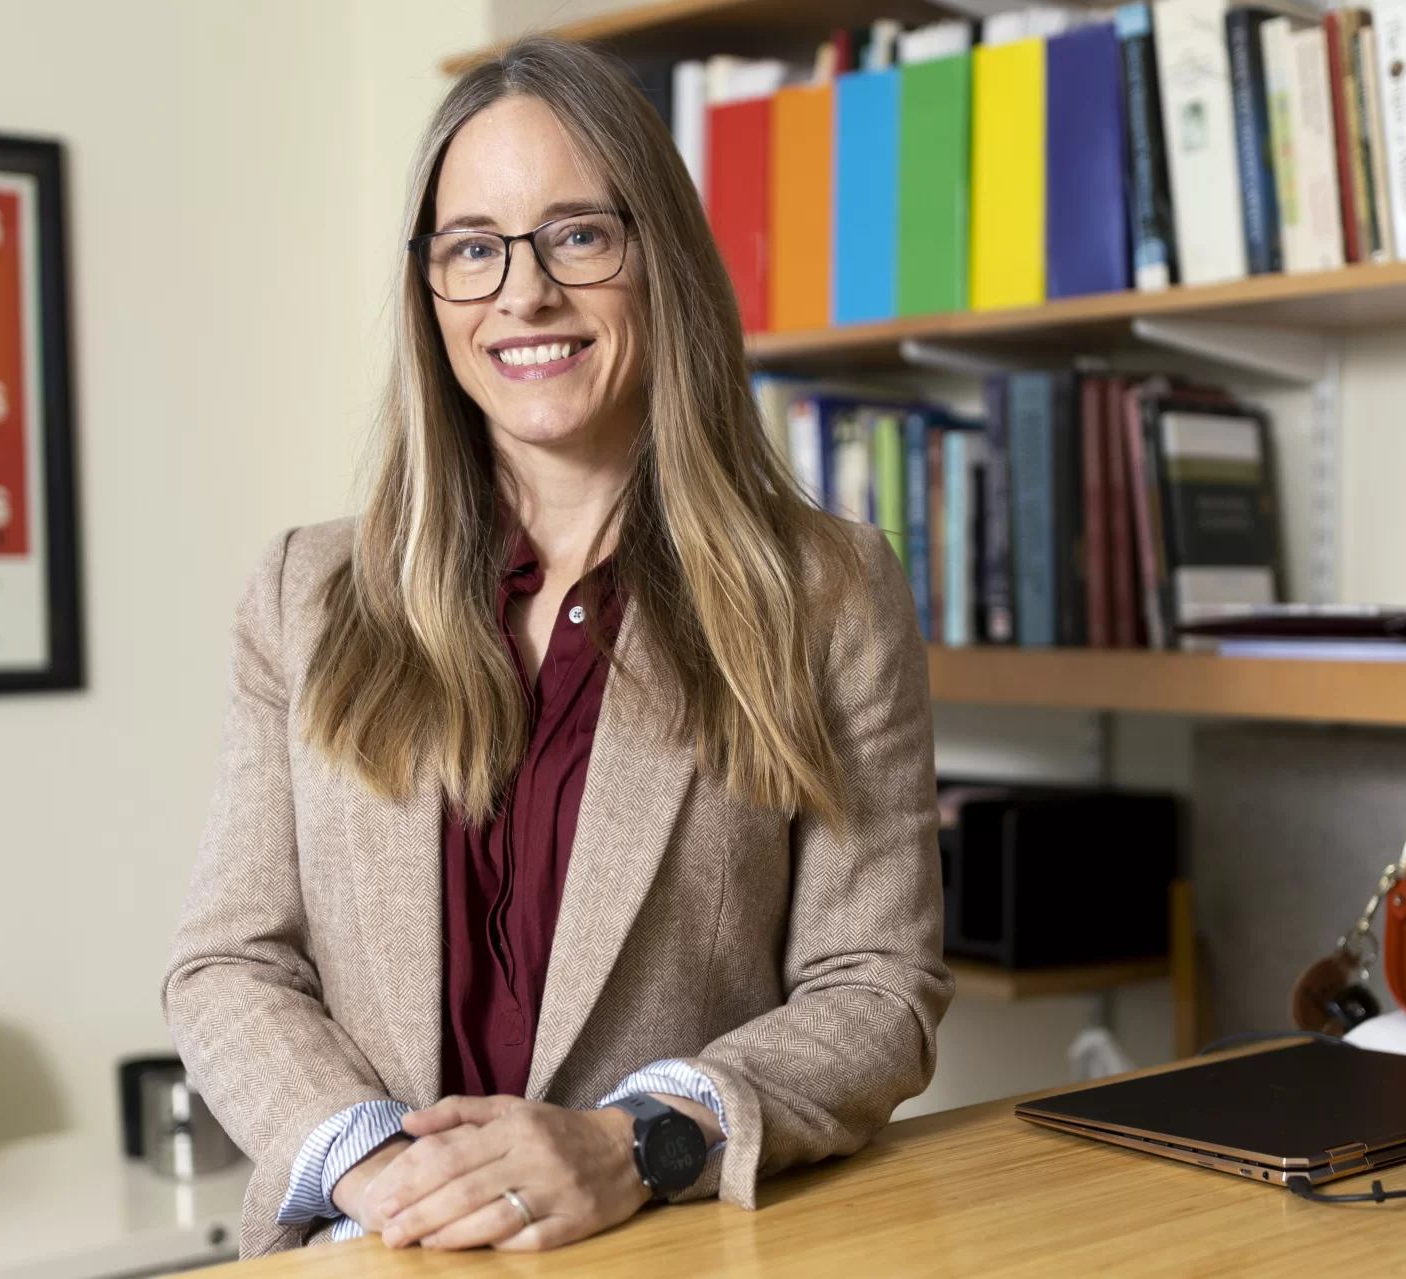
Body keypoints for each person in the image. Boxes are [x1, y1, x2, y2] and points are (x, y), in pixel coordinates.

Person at [162, 35, 951, 1258]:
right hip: (374, 1249)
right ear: (431, 293)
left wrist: (640, 1139)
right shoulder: (305, 592)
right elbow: (229, 963)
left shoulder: (826, 594)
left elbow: (873, 986)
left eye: (576, 235)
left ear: (660, 260)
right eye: (472, 249)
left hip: (665, 1245)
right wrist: (373, 1164)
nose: (521, 295)